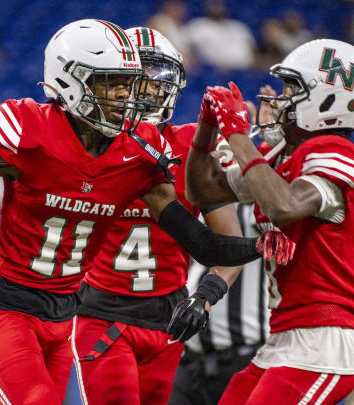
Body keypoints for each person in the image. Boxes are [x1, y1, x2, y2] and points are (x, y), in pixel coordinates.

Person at [0, 19, 292, 405]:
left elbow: (205, 244)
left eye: (130, 83)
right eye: (116, 83)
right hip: (15, 305)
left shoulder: (141, 156)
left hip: (67, 314)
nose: (129, 95)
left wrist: (259, 245)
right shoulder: (31, 132)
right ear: (74, 82)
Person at [178, 39, 354, 404]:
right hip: (282, 338)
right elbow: (201, 191)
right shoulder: (286, 156)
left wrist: (237, 134)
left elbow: (283, 206)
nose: (283, 99)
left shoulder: (335, 150)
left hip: (322, 342)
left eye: (293, 89)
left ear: (327, 100)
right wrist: (208, 128)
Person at [71, 27, 244, 405]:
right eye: (138, 81)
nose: (148, 92)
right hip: (103, 313)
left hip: (168, 318)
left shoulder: (191, 149)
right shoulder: (89, 144)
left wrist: (205, 298)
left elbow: (227, 249)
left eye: (156, 80)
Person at [169, 203, 269, 405]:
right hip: (185, 361)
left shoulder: (253, 207)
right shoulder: (190, 205)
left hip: (241, 359)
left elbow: (284, 208)